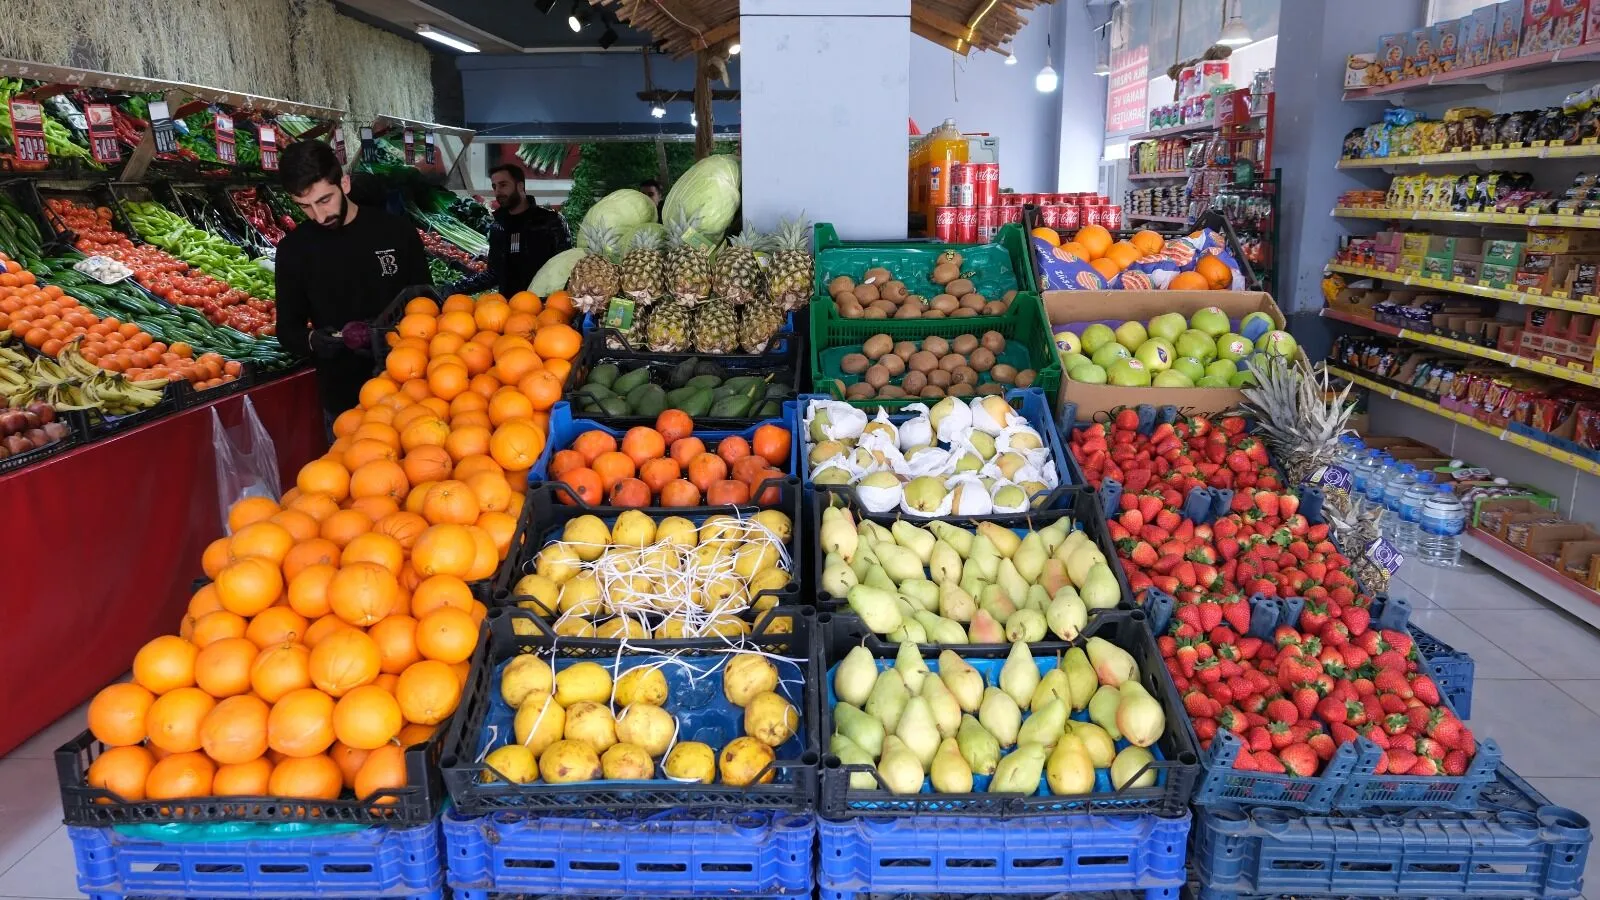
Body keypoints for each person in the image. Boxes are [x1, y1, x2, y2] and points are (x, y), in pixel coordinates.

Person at [274, 140, 430, 434]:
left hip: (411, 388)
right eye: (304, 206)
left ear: (344, 183)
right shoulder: (293, 250)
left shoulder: (396, 232)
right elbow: (287, 329)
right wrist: (313, 341)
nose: (319, 216)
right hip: (343, 400)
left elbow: (428, 304)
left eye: (324, 200)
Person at [448, 163, 570, 298]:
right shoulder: (499, 227)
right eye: (494, 186)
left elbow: (565, 267)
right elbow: (494, 273)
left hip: (546, 306)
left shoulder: (551, 221)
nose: (498, 192)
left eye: (503, 185)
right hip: (509, 309)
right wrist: (453, 289)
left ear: (520, 186)